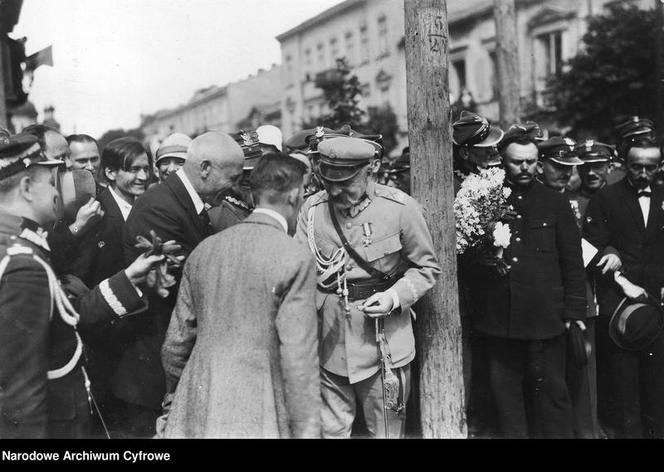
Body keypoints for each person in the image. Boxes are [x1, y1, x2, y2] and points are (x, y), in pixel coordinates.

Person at [0, 133, 160, 438]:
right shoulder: (21, 264)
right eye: (51, 181)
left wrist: (130, 279)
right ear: (26, 189)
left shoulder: (19, 246)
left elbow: (64, 314)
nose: (59, 191)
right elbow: (20, 397)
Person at [159, 153, 320, 438]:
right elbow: (299, 359)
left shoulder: (204, 250)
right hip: (260, 409)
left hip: (198, 405)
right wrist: (307, 430)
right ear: (295, 196)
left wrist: (178, 397)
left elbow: (175, 345)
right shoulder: (295, 257)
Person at [295, 136, 441, 438]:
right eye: (328, 180)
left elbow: (427, 268)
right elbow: (299, 266)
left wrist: (393, 297)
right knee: (330, 430)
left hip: (383, 340)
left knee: (386, 430)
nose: (335, 191)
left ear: (371, 168)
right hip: (329, 339)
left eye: (346, 182)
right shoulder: (312, 209)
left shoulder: (400, 208)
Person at [115, 131, 244, 438]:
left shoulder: (181, 200)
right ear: (205, 168)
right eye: (232, 177)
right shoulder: (159, 208)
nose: (234, 187)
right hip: (151, 378)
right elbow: (192, 283)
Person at [468, 129, 586, 438]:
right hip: (500, 317)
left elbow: (572, 261)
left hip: (546, 316)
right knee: (507, 401)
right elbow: (466, 258)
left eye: (531, 162)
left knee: (553, 395)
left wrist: (574, 311)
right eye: (517, 162)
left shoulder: (554, 203)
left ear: (538, 163)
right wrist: (484, 262)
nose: (524, 169)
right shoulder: (484, 200)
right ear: (503, 162)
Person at [583, 135, 664, 438]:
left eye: (651, 167)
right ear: (624, 164)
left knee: (658, 390)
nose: (643, 174)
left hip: (658, 306)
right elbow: (590, 245)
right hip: (620, 307)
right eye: (636, 167)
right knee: (625, 392)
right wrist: (619, 276)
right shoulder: (605, 198)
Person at [561, 140, 615, 439]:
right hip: (586, 293)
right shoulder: (572, 202)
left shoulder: (619, 196)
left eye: (598, 165)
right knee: (584, 367)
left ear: (610, 166)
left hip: (621, 296)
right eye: (585, 166)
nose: (592, 172)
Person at [72, 137, 151, 287]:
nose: (144, 177)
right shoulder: (94, 213)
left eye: (146, 169)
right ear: (110, 173)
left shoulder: (148, 206)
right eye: (134, 170)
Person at [207, 130, 261, 232]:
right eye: (243, 171)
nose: (249, 177)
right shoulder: (217, 214)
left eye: (254, 170)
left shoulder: (264, 204)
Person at [452, 111, 504, 193]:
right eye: (486, 148)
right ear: (465, 153)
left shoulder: (475, 174)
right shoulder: (455, 186)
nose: (493, 151)